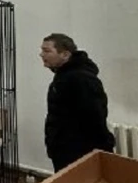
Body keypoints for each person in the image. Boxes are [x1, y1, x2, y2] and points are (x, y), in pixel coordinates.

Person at [40, 33, 115, 172]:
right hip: (65, 151)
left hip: (78, 154)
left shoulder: (81, 78)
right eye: (42, 50)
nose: (41, 54)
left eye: (47, 51)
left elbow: (95, 117)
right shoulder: (64, 75)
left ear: (65, 54)